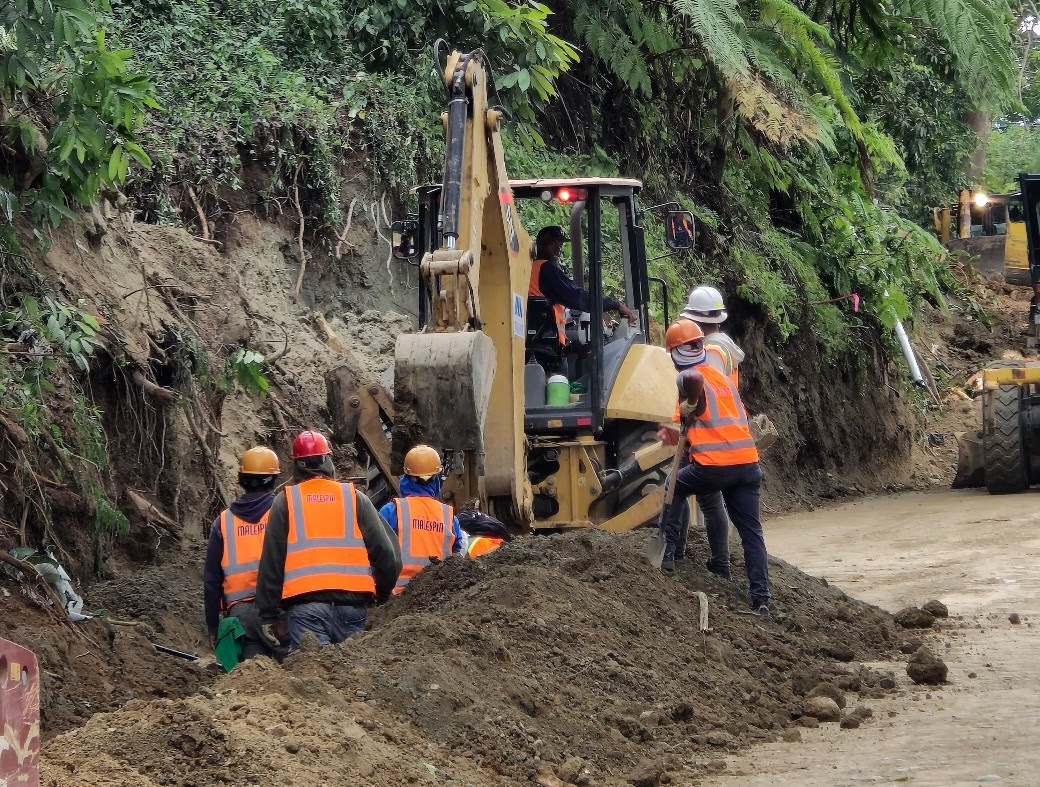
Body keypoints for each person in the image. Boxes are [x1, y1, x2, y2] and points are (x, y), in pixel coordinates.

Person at [658, 320, 772, 615]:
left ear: (674, 354)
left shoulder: (687, 379)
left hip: (714, 465)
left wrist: (682, 416)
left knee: (673, 485)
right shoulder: (724, 380)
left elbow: (691, 396)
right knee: (752, 533)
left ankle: (666, 554)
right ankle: (761, 598)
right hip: (748, 465)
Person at [256, 430, 402, 651]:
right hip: (353, 609)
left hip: (306, 612)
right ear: (328, 462)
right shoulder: (354, 498)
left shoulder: (286, 502)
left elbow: (272, 563)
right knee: (355, 677)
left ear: (297, 465)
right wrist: (380, 595)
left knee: (312, 677)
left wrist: (269, 613)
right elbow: (388, 556)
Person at [680, 285, 746, 578]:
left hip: (709, 431)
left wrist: (688, 412)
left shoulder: (714, 350)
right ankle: (720, 562)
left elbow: (708, 389)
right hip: (725, 431)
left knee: (697, 495)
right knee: (711, 499)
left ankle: (685, 556)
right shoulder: (723, 344)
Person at [203, 446, 285, 663]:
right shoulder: (284, 512)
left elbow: (212, 582)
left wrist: (212, 625)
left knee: (254, 677)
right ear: (274, 479)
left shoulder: (223, 522)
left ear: (241, 479)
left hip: (241, 616)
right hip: (279, 612)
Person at [528, 224, 638, 345]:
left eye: (560, 244)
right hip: (548, 344)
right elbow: (578, 297)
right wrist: (615, 304)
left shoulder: (532, 268)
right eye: (553, 243)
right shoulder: (548, 269)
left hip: (535, 339)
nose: (558, 248)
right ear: (539, 244)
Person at [378, 444, 464, 593]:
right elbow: (457, 557)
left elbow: (376, 550)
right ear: (436, 479)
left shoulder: (392, 511)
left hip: (396, 598)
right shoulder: (449, 517)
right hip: (438, 598)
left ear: (406, 477)